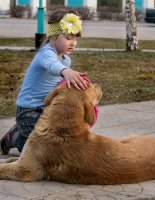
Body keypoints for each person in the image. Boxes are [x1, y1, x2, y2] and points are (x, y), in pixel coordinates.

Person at [0, 9, 90, 154]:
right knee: (38, 153)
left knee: (58, 142)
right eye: (68, 38)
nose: (73, 43)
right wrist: (66, 71)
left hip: (47, 109)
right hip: (28, 110)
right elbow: (52, 65)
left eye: (76, 39)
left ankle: (22, 131)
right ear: (54, 36)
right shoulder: (46, 54)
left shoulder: (66, 59)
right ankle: (15, 137)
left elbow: (59, 85)